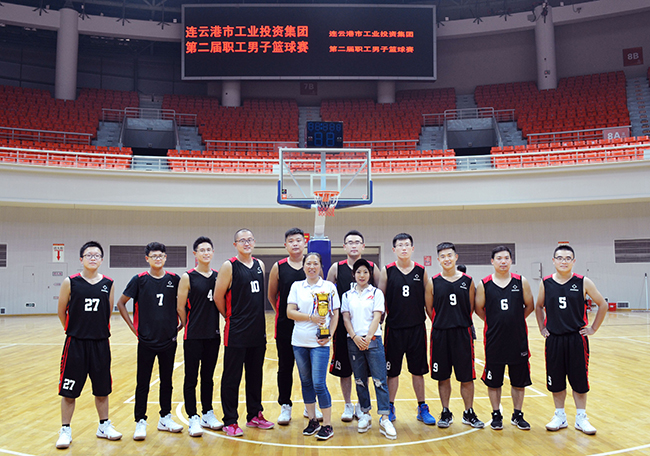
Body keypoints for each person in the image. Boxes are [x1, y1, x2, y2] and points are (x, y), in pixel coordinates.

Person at [55, 241, 122, 449]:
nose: (93, 258)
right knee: (69, 390)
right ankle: (65, 429)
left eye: (97, 255)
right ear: (81, 259)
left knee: (102, 389)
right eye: (89, 255)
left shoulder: (108, 283)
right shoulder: (70, 282)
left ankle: (104, 425)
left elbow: (107, 312)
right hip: (75, 343)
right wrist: (75, 330)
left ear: (101, 260)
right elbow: (61, 311)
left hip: (100, 343)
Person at [535, 245, 607, 435]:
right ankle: (560, 415)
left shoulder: (583, 282)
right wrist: (542, 327)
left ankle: (581, 417)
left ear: (574, 261)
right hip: (554, 339)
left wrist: (593, 328)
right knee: (556, 379)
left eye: (568, 258)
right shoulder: (546, 282)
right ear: (553, 261)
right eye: (560, 258)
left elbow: (602, 304)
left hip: (576, 339)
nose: (564, 261)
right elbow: (538, 306)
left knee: (579, 380)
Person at [116, 241, 183, 441]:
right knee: (143, 382)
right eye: (154, 256)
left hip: (168, 339)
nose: (158, 258)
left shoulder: (174, 279)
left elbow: (184, 303)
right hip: (146, 340)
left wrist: (182, 323)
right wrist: (133, 328)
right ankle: (140, 421)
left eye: (161, 255)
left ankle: (165, 417)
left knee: (167, 381)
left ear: (165, 257)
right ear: (147, 258)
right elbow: (121, 303)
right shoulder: (139, 280)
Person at [214, 228, 274, 437]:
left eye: (250, 240)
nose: (246, 243)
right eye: (242, 240)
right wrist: (230, 317)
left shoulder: (260, 265)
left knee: (255, 376)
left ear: (254, 242)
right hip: (236, 331)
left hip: (257, 331)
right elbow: (218, 296)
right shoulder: (229, 266)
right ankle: (230, 420)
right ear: (235, 244)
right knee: (232, 378)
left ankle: (254, 415)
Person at [378, 233, 436, 425]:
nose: (403, 248)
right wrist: (378, 323)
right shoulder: (387, 271)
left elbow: (428, 301)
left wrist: (435, 322)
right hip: (394, 329)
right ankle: (390, 406)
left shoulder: (421, 271)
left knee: (418, 371)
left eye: (407, 245)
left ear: (412, 248)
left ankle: (422, 407)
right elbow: (380, 299)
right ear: (394, 250)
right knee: (392, 372)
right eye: (400, 245)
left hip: (417, 329)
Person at [474, 246, 534, 431]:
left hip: (518, 340)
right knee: (494, 381)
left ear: (511, 261)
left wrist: (515, 320)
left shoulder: (521, 281)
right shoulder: (484, 284)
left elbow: (530, 305)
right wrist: (494, 322)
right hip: (494, 340)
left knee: (519, 381)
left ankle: (517, 414)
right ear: (492, 261)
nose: (503, 261)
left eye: (506, 258)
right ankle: (496, 414)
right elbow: (478, 308)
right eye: (499, 258)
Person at [267, 228, 324, 425]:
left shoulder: (312, 266)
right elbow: (272, 295)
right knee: (285, 367)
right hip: (286, 326)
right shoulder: (279, 267)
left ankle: (311, 406)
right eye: (291, 241)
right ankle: (285, 405)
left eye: (298, 240)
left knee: (310, 369)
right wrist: (284, 313)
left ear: (305, 243)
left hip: (310, 326)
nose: (295, 244)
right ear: (286, 245)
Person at [425, 242, 483, 429]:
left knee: (466, 376)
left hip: (462, 333)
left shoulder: (468, 281)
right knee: (443, 376)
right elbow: (429, 308)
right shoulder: (433, 282)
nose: (447, 259)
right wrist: (443, 321)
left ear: (456, 257)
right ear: (438, 260)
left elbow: (471, 307)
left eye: (450, 255)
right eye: (443, 256)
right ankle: (445, 411)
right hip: (440, 334)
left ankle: (468, 412)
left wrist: (458, 320)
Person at [326, 229, 380, 422]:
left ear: (363, 246)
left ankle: (361, 404)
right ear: (344, 247)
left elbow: (380, 294)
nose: (354, 245)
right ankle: (348, 404)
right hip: (343, 328)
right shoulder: (336, 268)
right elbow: (327, 295)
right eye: (350, 242)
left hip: (365, 328)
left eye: (357, 242)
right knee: (345, 370)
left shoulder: (372, 267)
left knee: (364, 369)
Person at [286, 252, 340, 440]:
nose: (311, 267)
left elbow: (335, 314)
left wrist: (329, 335)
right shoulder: (296, 286)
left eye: (315, 263)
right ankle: (313, 420)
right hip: (299, 341)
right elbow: (290, 312)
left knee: (319, 383)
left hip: (320, 343)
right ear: (303, 266)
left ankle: (328, 425)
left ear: (320, 266)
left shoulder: (328, 287)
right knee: (306, 382)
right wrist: (311, 318)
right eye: (308, 263)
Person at [341, 259, 396, 440]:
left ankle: (385, 418)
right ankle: (365, 414)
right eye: (358, 272)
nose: (362, 275)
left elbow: (377, 317)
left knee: (380, 380)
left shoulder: (376, 293)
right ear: (354, 274)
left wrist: (368, 337)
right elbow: (346, 318)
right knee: (360, 379)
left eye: (365, 272)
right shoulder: (347, 295)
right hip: (354, 341)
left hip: (373, 340)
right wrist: (355, 337)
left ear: (370, 275)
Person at [176, 236, 223, 437]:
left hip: (213, 334)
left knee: (208, 377)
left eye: (208, 249)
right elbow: (180, 306)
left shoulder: (219, 277)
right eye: (201, 250)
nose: (205, 253)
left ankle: (207, 413)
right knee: (191, 377)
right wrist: (187, 324)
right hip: (193, 335)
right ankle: (193, 416)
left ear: (212, 252)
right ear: (195, 254)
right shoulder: (188, 277)